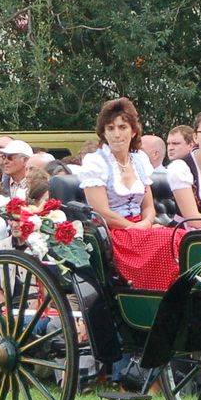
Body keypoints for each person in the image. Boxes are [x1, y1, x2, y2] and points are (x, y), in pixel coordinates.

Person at [81, 98, 186, 289]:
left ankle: (176, 296)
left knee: (181, 239)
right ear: (104, 132)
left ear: (133, 130)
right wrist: (134, 227)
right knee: (168, 240)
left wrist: (146, 223)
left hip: (141, 228)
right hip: (114, 233)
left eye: (122, 127)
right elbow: (102, 212)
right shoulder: (95, 163)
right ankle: (158, 296)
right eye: (110, 128)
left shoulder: (139, 160)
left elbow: (148, 206)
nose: (117, 134)